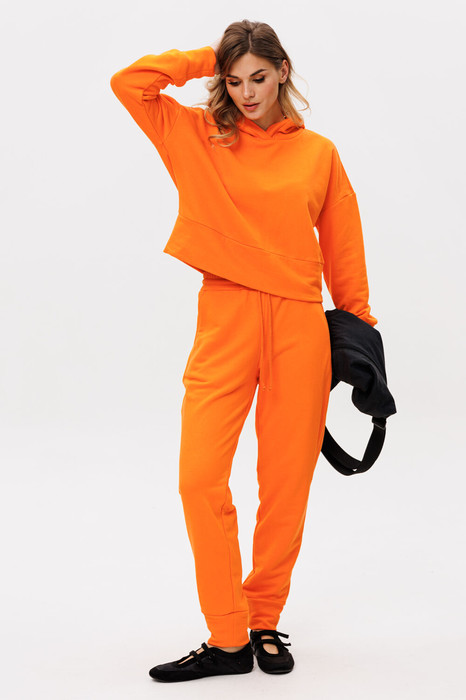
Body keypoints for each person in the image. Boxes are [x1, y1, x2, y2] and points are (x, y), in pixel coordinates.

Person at [110, 18, 378, 683]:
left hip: (298, 327)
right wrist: (209, 56)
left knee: (284, 488)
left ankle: (263, 620)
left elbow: (344, 248)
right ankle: (227, 636)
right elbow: (130, 83)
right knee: (199, 478)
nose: (247, 92)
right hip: (225, 317)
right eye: (233, 81)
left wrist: (361, 339)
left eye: (259, 76)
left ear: (284, 71)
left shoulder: (318, 153)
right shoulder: (196, 135)